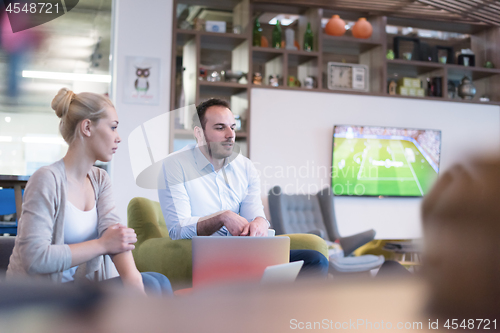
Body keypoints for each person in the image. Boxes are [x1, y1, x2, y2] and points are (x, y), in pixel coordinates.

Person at [7, 88, 172, 296]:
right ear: (87, 127)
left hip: (74, 290)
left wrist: (134, 281)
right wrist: (102, 245)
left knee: (155, 280)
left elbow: (112, 233)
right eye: (113, 127)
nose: (118, 137)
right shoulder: (46, 179)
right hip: (36, 297)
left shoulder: (100, 179)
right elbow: (35, 258)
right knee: (153, 284)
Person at [158, 98, 328, 277]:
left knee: (315, 260)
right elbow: (177, 228)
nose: (230, 134)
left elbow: (256, 215)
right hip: (210, 257)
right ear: (199, 133)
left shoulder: (245, 167)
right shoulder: (175, 165)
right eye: (220, 127)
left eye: (232, 127)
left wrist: (259, 223)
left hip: (247, 254)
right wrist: (222, 218)